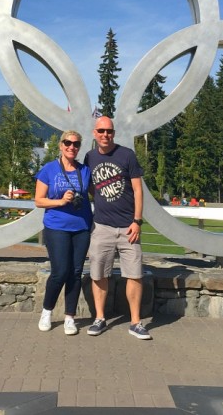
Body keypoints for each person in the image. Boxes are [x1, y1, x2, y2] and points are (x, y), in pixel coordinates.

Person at [83, 116, 151, 340]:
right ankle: (100, 318)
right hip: (101, 226)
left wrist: (137, 220)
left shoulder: (127, 155)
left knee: (134, 275)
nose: (105, 135)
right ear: (95, 133)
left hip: (128, 227)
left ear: (114, 133)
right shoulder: (90, 157)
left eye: (109, 131)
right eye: (101, 131)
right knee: (98, 274)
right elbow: (92, 187)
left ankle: (135, 322)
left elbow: (138, 190)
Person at [34, 130, 92, 335]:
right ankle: (47, 312)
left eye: (76, 144)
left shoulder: (85, 170)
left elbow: (96, 193)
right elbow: (39, 200)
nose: (71, 147)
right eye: (67, 143)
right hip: (56, 226)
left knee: (76, 273)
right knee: (59, 272)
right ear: (60, 145)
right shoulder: (49, 169)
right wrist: (60, 201)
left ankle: (70, 317)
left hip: (82, 227)